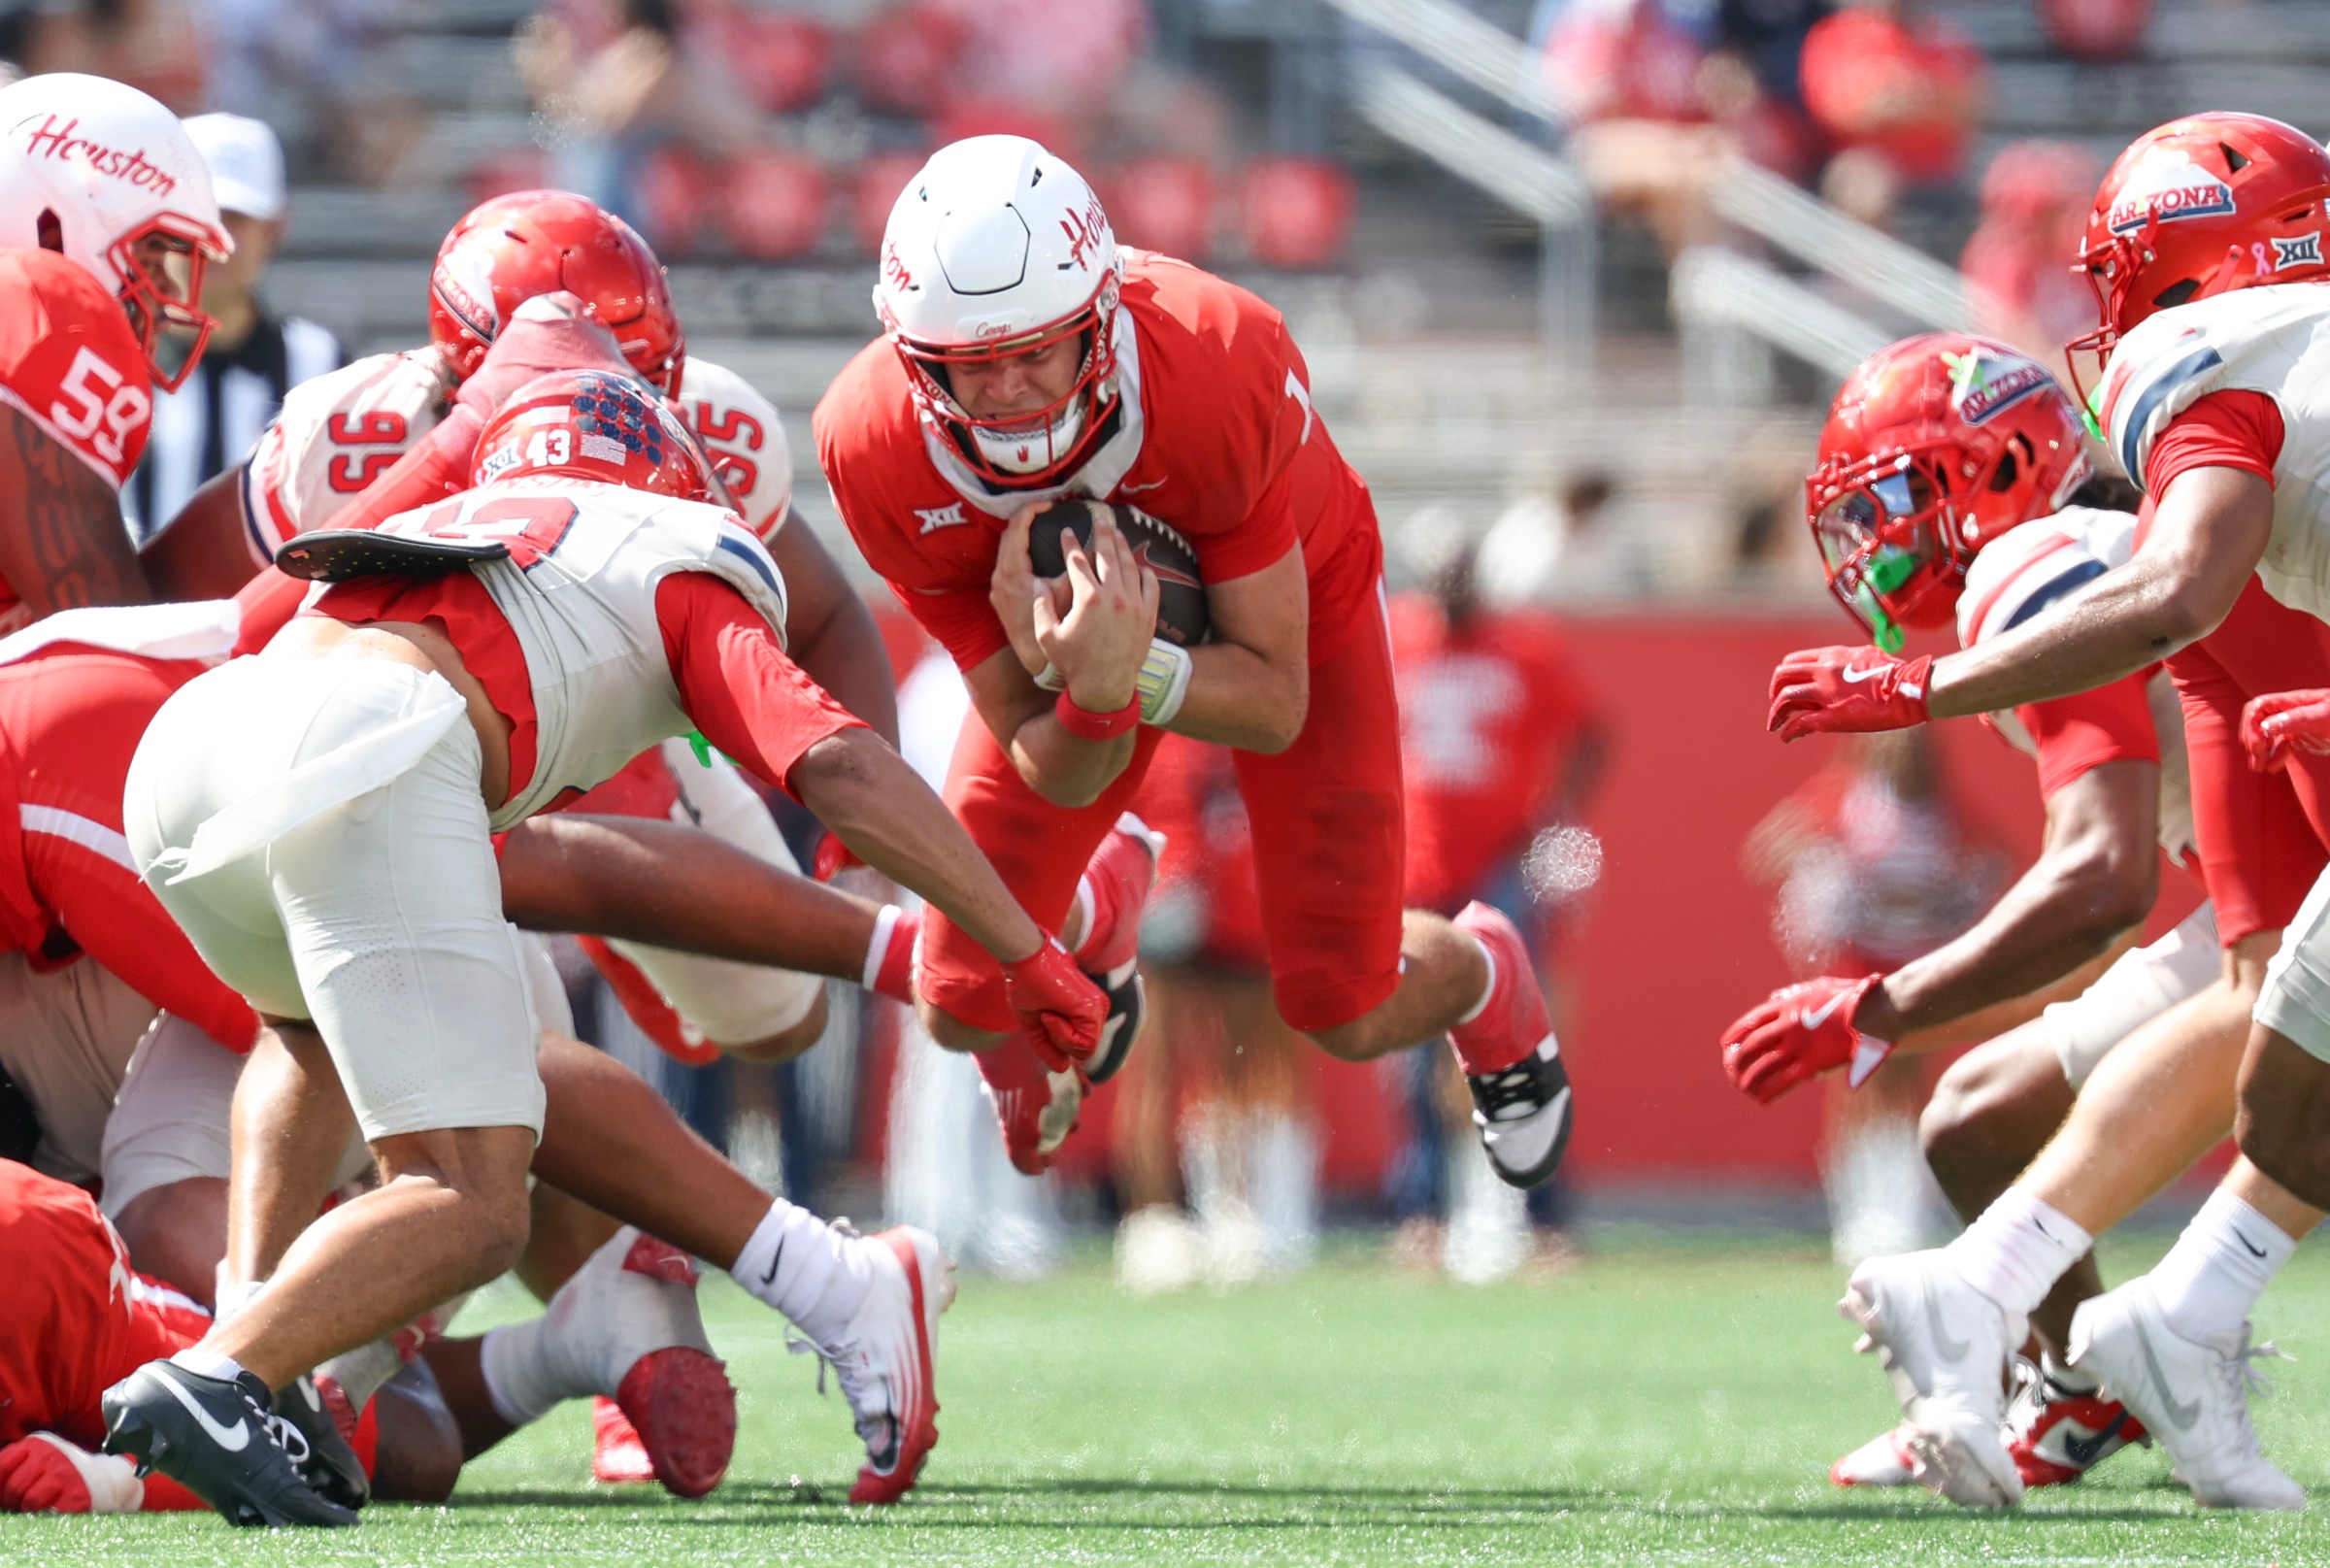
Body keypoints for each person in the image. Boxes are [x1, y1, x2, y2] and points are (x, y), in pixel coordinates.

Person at [100, 357, 1106, 1526]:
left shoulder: (458, 520)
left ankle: (255, 1352)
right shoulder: (670, 548)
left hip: (191, 753)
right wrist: (1026, 950)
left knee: (307, 1031)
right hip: (367, 751)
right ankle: (226, 1375)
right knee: (473, 1199)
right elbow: (836, 762)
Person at [817, 134, 1575, 1188]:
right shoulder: (874, 448)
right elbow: (1045, 756)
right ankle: (1100, 905)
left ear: (1100, 316)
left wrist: (1128, 671)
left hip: (1295, 604)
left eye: (1036, 350)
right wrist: (1093, 692)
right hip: (1091, 654)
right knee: (958, 997)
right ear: (913, 359)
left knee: (1344, 1003)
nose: (1009, 391)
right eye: (971, 364)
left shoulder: (1213, 360)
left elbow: (1270, 700)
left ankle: (1485, 972)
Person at [1762, 114, 2330, 1510]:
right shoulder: (2157, 497)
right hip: (2286, 826)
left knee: (2239, 1056)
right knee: (1987, 1111)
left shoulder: (2047, 567)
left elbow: (2101, 878)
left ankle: (2040, 1317)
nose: (1878, 541)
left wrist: (1883, 1004)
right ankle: (2075, 1365)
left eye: (1901, 494)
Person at [1387, 540, 1607, 1274]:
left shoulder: (1524, 645)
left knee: (1517, 1034)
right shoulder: (1396, 634)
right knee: (1414, 1046)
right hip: (1416, 868)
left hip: (1501, 860)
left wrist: (1555, 812)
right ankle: (1425, 1212)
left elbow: (1589, 729)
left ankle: (1544, 1216)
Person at [0, 72, 233, 624]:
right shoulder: (27, 303)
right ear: (51, 230)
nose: (169, 289)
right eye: (150, 254)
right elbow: (113, 642)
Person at [126, 112, 344, 539]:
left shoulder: (322, 365)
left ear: (274, 231)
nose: (215, 237)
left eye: (236, 217)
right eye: (199, 215)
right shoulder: (113, 359)